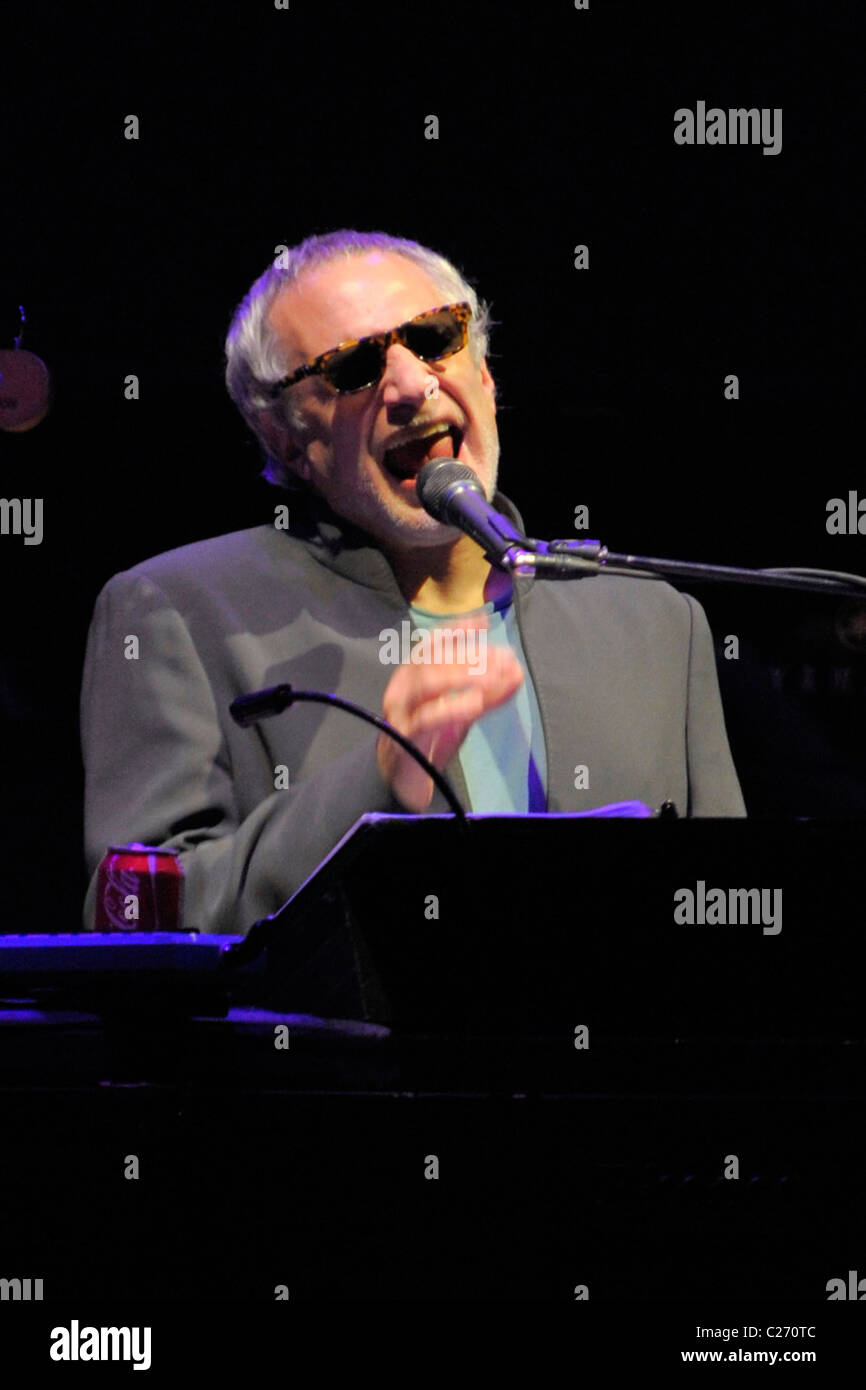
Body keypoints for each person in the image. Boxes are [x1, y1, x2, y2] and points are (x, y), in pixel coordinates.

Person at [80, 229, 746, 936]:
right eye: (357, 367)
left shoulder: (655, 623)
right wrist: (378, 777)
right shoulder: (178, 611)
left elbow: (728, 913)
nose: (411, 385)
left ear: (484, 377)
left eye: (434, 338)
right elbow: (134, 923)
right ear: (286, 439)